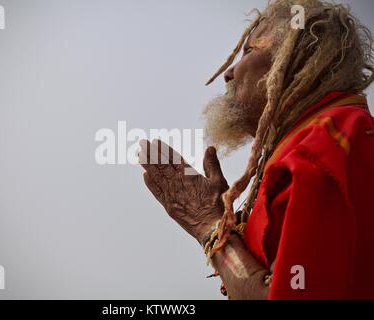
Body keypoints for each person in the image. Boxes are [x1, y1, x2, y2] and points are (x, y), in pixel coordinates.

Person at [139, 0, 374, 299]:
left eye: (249, 51)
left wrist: (208, 224)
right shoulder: (330, 137)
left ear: (299, 56)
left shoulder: (327, 145)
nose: (229, 72)